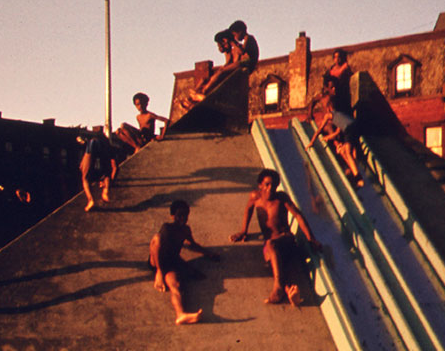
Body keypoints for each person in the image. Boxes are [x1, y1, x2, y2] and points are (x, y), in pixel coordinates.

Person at [230, 168, 322, 306]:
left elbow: (298, 215)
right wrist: (244, 230)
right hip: (270, 245)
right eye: (267, 184)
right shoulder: (255, 197)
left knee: (273, 248)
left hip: (286, 240)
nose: (270, 188)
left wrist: (311, 238)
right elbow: (248, 209)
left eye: (273, 185)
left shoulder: (282, 198)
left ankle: (278, 287)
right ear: (260, 185)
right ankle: (290, 293)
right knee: (274, 264)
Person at [148, 200, 220, 325]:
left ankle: (180, 314)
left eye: (185, 215)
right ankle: (159, 272)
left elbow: (192, 245)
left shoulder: (186, 230)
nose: (182, 218)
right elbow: (156, 246)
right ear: (172, 216)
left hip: (172, 262)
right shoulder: (166, 228)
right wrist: (159, 272)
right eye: (179, 215)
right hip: (157, 259)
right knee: (157, 238)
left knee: (175, 285)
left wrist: (208, 253)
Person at [305, 75, 363, 187]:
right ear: (326, 87)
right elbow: (312, 101)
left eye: (335, 87)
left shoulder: (337, 99)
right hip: (327, 125)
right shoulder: (322, 96)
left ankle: (351, 169)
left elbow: (341, 115)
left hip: (338, 125)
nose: (334, 90)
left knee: (344, 146)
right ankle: (350, 169)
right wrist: (309, 114)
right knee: (339, 143)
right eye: (331, 87)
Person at [184, 29, 242, 106]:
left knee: (220, 72)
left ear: (225, 41)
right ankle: (193, 97)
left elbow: (236, 63)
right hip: (229, 71)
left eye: (220, 44)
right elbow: (227, 63)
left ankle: (203, 92)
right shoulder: (228, 51)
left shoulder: (236, 48)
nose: (219, 47)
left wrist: (220, 72)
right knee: (205, 79)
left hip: (236, 72)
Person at [78, 126, 118, 212]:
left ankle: (91, 200)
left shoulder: (92, 140)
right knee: (107, 173)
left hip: (92, 144)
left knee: (85, 179)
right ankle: (106, 192)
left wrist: (81, 140)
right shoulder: (107, 143)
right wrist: (110, 183)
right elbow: (115, 167)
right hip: (104, 146)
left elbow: (84, 164)